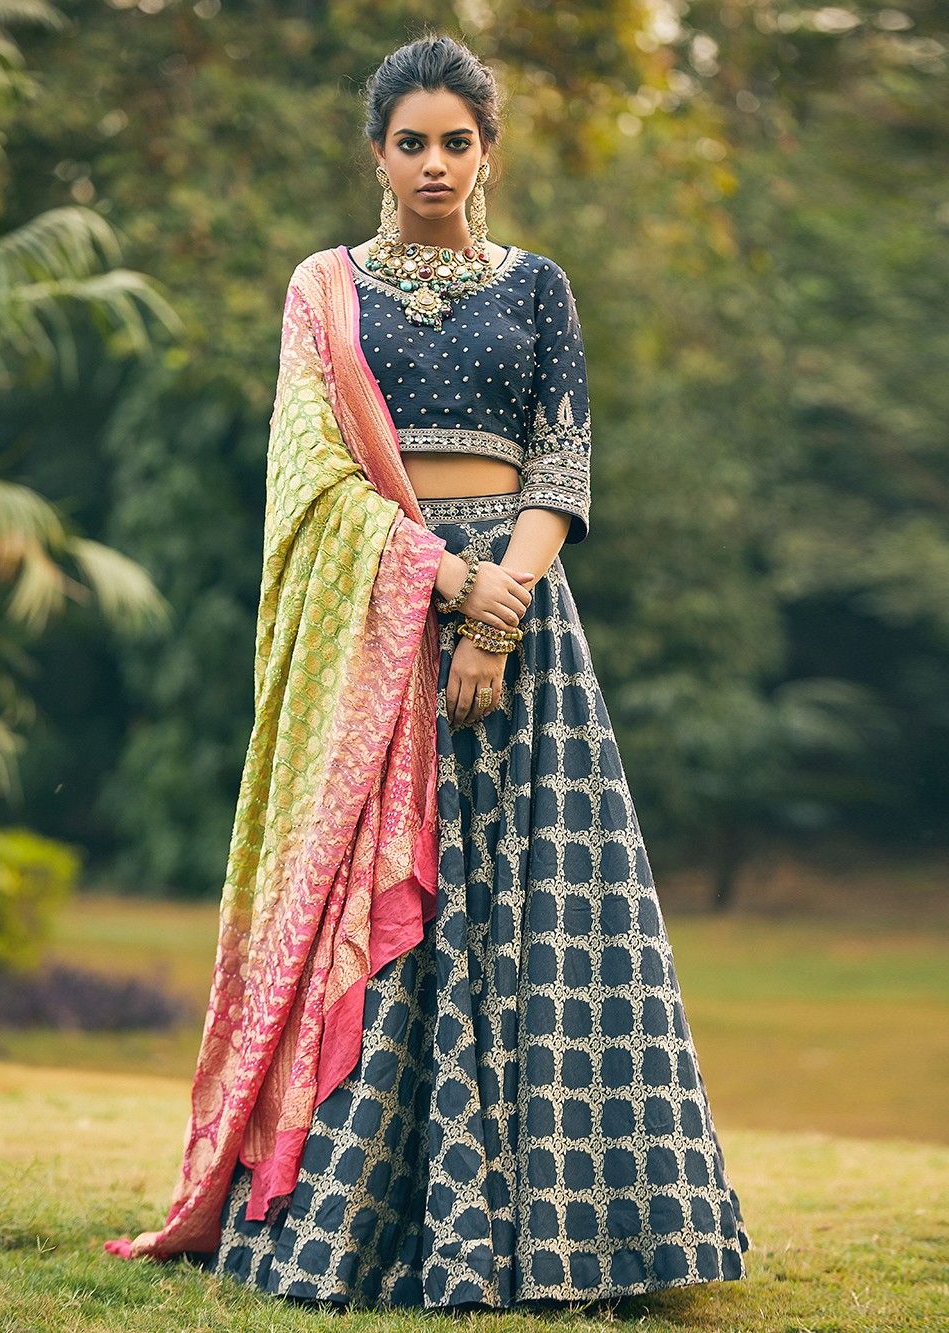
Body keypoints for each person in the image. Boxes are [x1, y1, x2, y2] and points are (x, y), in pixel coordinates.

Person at [105, 31, 749, 1311]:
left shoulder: (540, 287)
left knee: (547, 906)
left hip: (525, 609)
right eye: (413, 141)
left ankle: (585, 1232)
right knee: (400, 902)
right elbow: (311, 475)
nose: (436, 162)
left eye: (459, 141)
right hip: (387, 629)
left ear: (489, 151)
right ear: (378, 153)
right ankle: (359, 1216)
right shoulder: (325, 287)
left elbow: (561, 460)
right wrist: (443, 584)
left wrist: (503, 602)